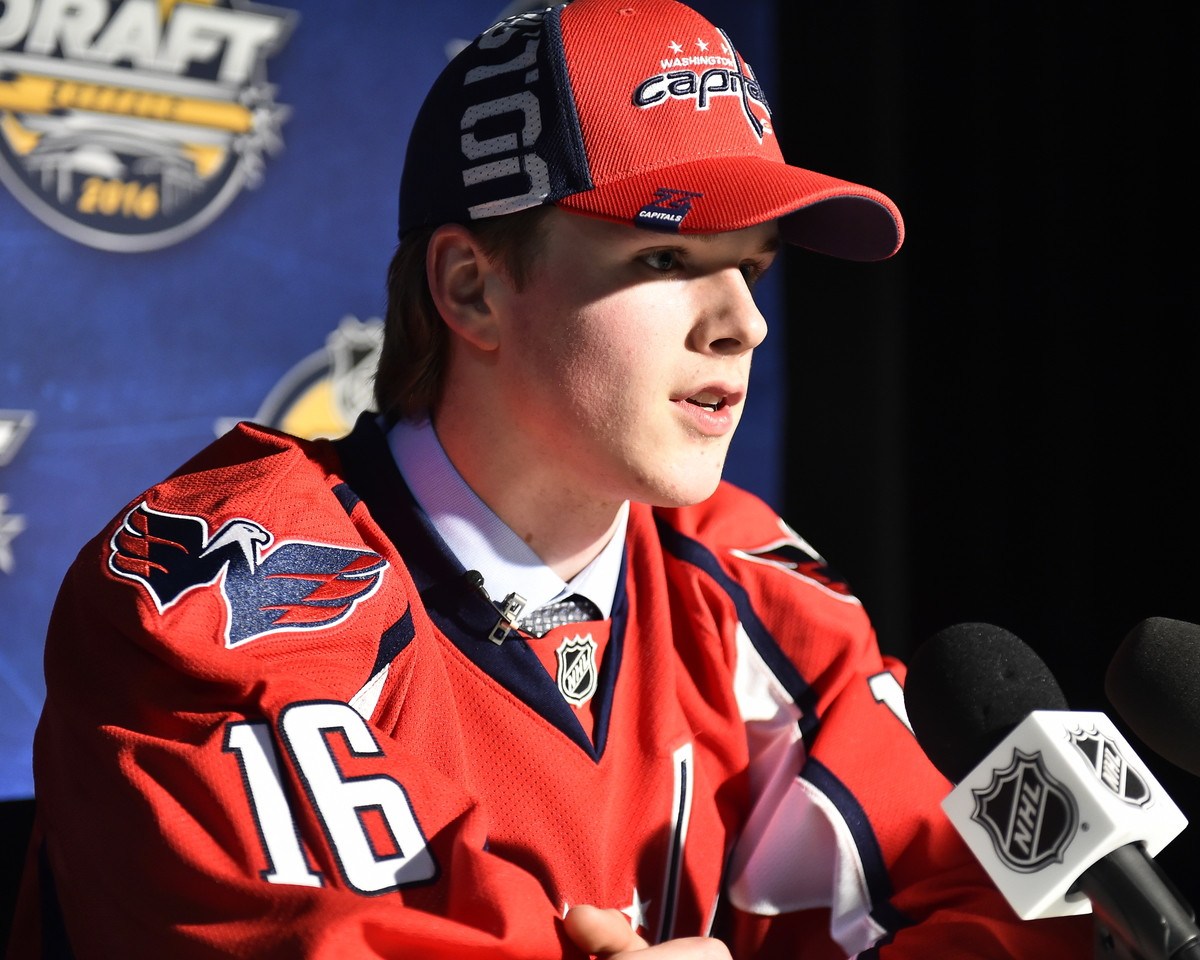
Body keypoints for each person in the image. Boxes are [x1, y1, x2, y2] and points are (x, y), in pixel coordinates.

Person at [10, 1, 1092, 957]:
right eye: (666, 259)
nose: (744, 325)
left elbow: (1023, 913)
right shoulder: (227, 594)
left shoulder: (751, 587)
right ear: (471, 289)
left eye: (753, 266)